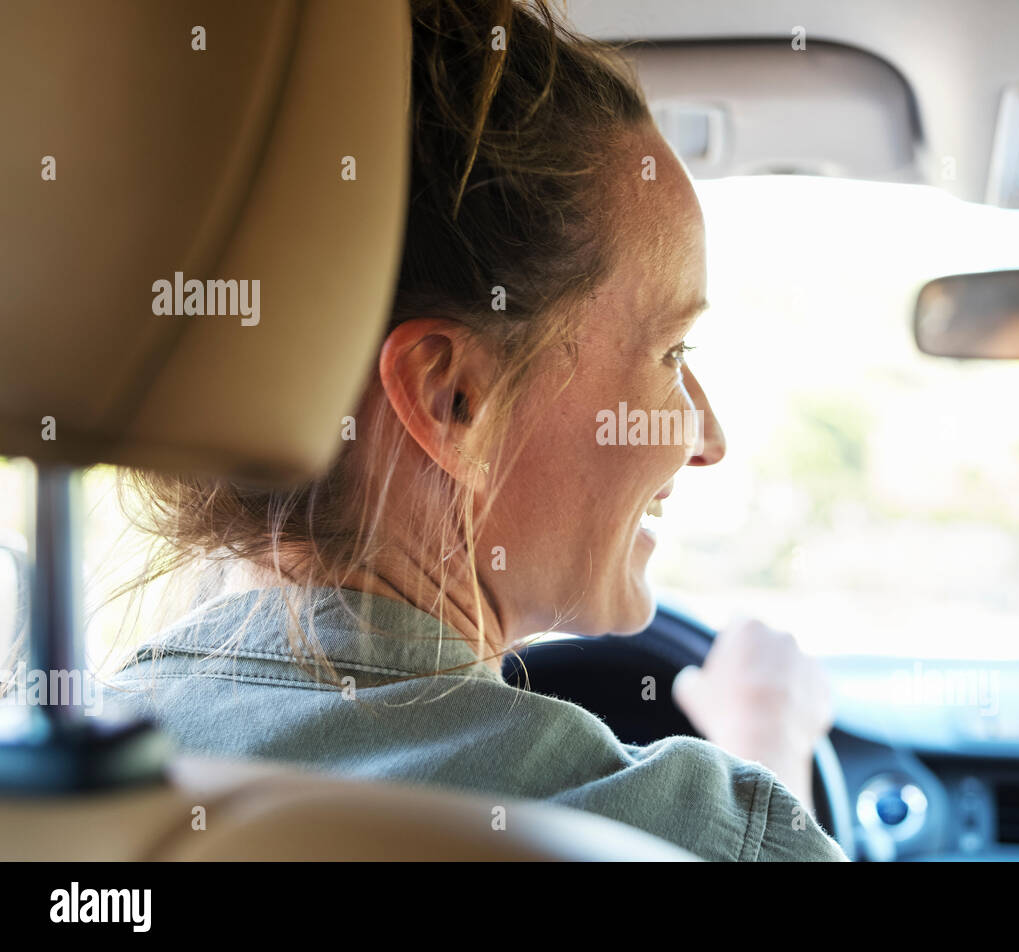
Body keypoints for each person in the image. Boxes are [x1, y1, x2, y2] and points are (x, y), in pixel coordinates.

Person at [107, 0, 845, 862]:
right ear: (453, 398)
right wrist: (767, 744)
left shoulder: (66, 780)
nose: (705, 435)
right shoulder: (661, 834)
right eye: (671, 351)